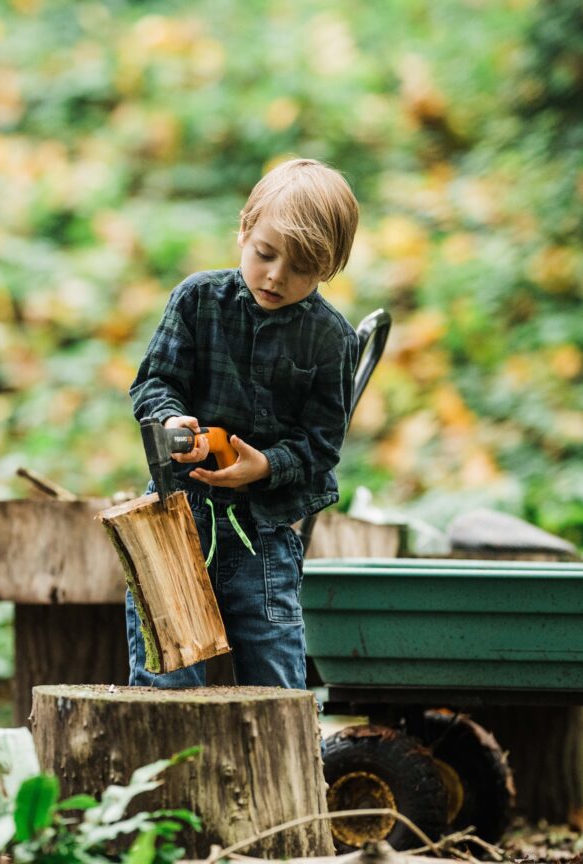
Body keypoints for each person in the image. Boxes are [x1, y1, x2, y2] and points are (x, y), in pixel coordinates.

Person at [127, 157, 363, 690]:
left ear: (329, 267)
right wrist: (171, 420)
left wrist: (265, 466)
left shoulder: (332, 341)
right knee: (166, 678)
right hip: (178, 520)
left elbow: (320, 447)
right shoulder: (197, 300)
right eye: (265, 254)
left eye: (300, 268)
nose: (277, 276)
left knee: (275, 685)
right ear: (244, 230)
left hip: (264, 536)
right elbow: (153, 382)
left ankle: (286, 771)